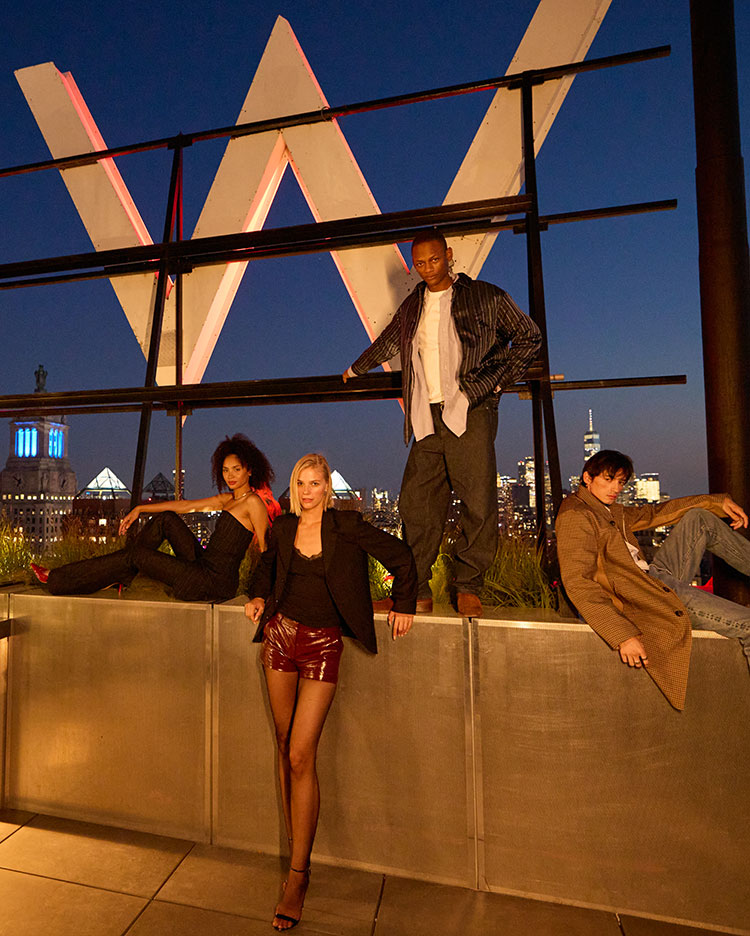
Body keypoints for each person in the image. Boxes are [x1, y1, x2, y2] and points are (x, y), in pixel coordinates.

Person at [244, 453, 416, 930]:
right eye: (300, 483)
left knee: (302, 753)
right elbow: (265, 568)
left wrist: (405, 603)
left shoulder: (346, 526)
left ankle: (298, 876)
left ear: (327, 488)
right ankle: (295, 855)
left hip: (322, 646)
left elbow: (401, 556)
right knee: (285, 746)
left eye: (315, 483)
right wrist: (257, 596)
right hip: (280, 639)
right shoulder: (283, 528)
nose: (307, 491)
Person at [343, 229, 540, 616]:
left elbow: (529, 336)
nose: (427, 268)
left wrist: (496, 383)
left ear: (448, 255)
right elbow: (389, 341)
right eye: (419, 263)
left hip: (469, 408)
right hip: (426, 413)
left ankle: (469, 585)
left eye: (434, 259)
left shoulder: (485, 296)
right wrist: (356, 368)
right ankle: (415, 591)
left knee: (477, 499)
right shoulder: (413, 305)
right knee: (416, 503)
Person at [556, 449, 750, 710]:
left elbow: (655, 513)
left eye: (620, 482)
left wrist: (715, 502)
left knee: (699, 519)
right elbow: (579, 583)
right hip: (647, 596)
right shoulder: (576, 515)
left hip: (653, 578)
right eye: (608, 480)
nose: (615, 489)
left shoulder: (606, 509)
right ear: (587, 478)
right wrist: (622, 636)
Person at [31, 434, 277, 602]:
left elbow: (266, 552)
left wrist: (259, 595)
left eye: (236, 469)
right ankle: (124, 571)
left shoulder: (253, 503)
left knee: (135, 555)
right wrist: (140, 509)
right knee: (166, 519)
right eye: (225, 470)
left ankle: (58, 579)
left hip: (212, 583)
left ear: (250, 470)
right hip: (202, 565)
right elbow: (185, 506)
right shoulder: (228, 499)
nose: (230, 475)